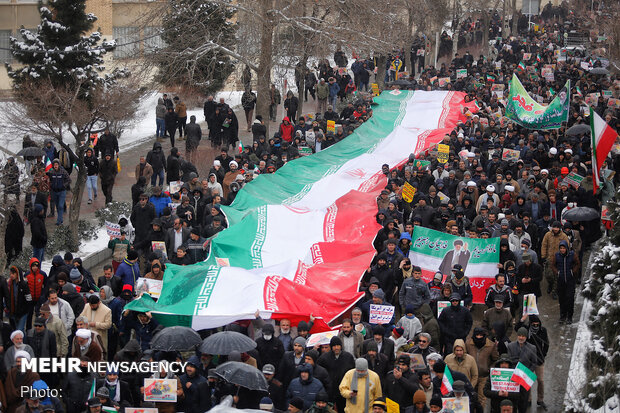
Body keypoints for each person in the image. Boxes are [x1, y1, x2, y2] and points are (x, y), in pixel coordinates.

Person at [551, 240, 579, 324]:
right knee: (562, 299)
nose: (562, 250)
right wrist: (557, 272)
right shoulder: (557, 256)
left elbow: (577, 263)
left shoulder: (572, 255)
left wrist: (572, 271)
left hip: (570, 280)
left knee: (570, 298)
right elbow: (553, 265)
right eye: (561, 248)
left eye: (564, 248)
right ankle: (562, 316)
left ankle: (569, 316)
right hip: (561, 280)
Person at [47, 159, 70, 225]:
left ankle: (58, 221)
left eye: (56, 164)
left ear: (59, 165)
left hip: (62, 191)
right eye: (54, 165)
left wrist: (64, 185)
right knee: (57, 206)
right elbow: (47, 177)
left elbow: (69, 180)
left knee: (60, 205)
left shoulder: (63, 172)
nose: (55, 166)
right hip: (54, 191)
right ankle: (60, 220)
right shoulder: (51, 172)